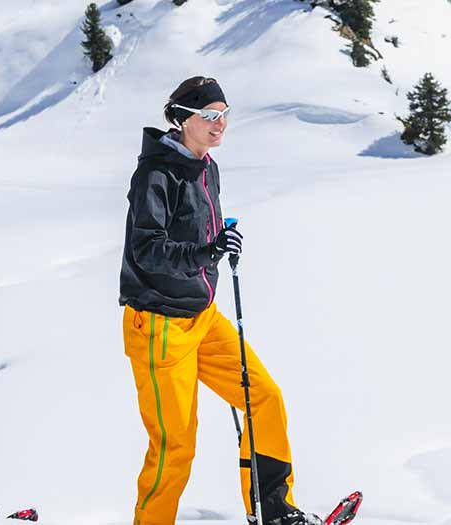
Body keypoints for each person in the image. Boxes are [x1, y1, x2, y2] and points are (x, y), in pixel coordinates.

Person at [119, 76, 321, 525]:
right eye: (209, 115)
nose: (220, 124)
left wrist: (218, 245)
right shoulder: (156, 174)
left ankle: (273, 509)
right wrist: (204, 253)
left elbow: (198, 234)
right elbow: (146, 249)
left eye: (225, 114)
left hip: (203, 317)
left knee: (264, 398)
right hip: (159, 326)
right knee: (175, 444)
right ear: (182, 118)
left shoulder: (207, 167)